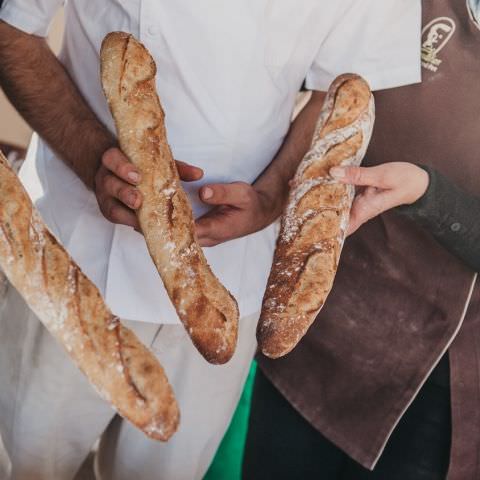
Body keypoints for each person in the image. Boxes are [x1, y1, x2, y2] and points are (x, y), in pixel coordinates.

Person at [0, 1, 421, 479]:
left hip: (226, 289)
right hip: (71, 260)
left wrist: (272, 195)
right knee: (25, 466)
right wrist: (89, 154)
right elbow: (13, 30)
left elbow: (350, 87)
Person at [243, 1, 480, 479]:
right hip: (316, 321)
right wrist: (267, 194)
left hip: (432, 392)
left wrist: (427, 194)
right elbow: (330, 93)